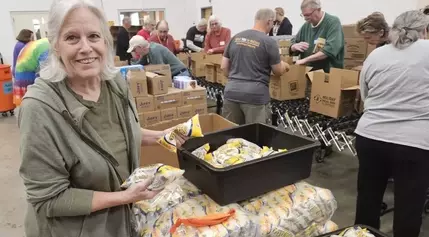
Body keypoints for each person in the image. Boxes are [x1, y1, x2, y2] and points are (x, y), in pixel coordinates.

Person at [18, 0, 186, 236]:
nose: (86, 47)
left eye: (94, 36)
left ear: (106, 41)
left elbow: (122, 133)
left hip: (120, 221)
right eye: (72, 38)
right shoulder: (39, 108)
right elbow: (49, 199)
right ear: (56, 44)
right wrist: (125, 197)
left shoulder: (115, 83)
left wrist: (162, 136)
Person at [354, 10, 429, 237]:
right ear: (424, 30)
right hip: (413, 142)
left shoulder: (377, 55)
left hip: (369, 136)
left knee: (368, 198)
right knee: (409, 205)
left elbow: (365, 94)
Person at [221, 9, 289, 125]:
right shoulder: (269, 42)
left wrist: (236, 79)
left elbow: (224, 67)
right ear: (269, 21)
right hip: (255, 97)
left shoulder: (235, 37)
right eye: (273, 23)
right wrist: (285, 66)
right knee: (255, 138)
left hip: (231, 93)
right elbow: (277, 71)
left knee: (231, 135)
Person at [290, 0, 344, 72]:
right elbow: (293, 43)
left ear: (318, 10)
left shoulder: (333, 22)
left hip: (328, 74)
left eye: (308, 15)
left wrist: (305, 60)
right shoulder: (306, 26)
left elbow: (330, 50)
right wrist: (293, 47)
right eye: (303, 15)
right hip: (309, 74)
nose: (305, 18)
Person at [13, 38, 49, 107]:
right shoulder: (47, 48)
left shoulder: (43, 42)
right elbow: (46, 75)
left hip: (20, 77)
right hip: (27, 80)